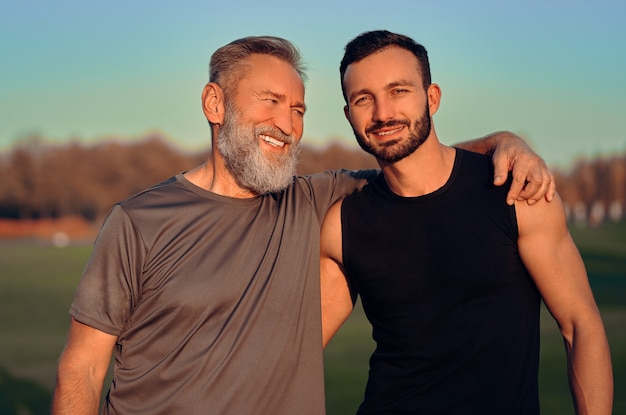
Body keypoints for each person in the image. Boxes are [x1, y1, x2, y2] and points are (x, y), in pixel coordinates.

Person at [51, 35, 554, 415]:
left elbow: (410, 151)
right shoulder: (138, 222)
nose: (287, 123)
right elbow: (83, 366)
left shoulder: (311, 201)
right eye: (269, 101)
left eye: (297, 109)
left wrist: (501, 141)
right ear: (214, 104)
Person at [320, 30, 613, 414]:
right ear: (348, 115)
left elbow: (580, 326)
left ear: (432, 97)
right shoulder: (343, 223)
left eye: (399, 91)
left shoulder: (513, 192)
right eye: (363, 99)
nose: (382, 113)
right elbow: (299, 347)